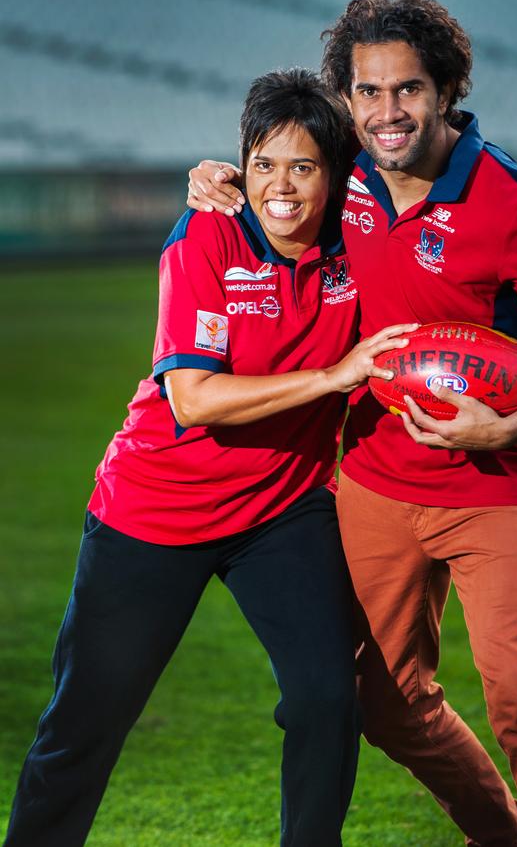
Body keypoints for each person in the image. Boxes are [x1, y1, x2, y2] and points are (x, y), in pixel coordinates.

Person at [187, 0, 517, 847]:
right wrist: (216, 178)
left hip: (493, 485)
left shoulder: (516, 205)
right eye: (367, 92)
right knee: (383, 703)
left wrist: (512, 425)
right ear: (347, 97)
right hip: (370, 479)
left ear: (445, 90)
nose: (385, 111)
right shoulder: (343, 168)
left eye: (407, 89)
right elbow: (275, 195)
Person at [2, 68, 419, 847]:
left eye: (303, 166)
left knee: (329, 699)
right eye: (262, 164)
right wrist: (336, 375)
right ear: (238, 165)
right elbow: (193, 398)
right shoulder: (207, 235)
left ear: (337, 172)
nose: (281, 187)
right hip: (154, 509)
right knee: (84, 724)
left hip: (281, 511)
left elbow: (410, 143)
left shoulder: (357, 232)